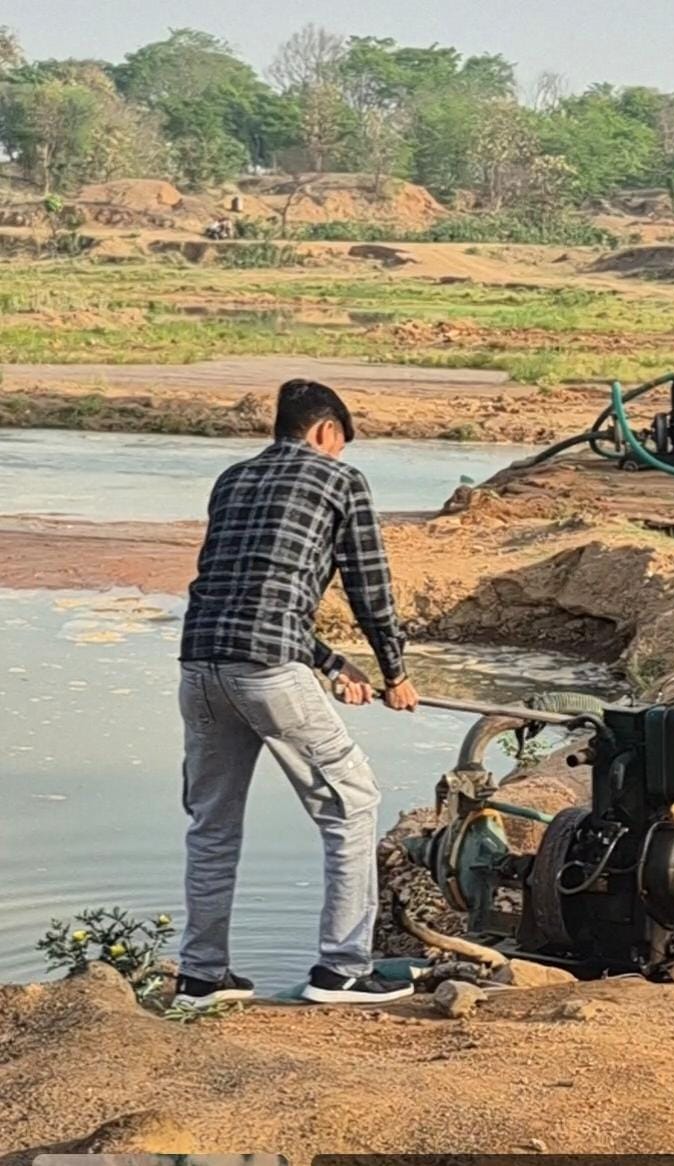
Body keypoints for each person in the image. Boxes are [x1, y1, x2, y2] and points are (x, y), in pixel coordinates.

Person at [174, 379, 420, 1007]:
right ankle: (343, 969)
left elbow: (247, 595)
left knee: (211, 826)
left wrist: (337, 665)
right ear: (324, 433)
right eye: (339, 444)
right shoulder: (342, 481)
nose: (337, 455)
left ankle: (201, 977)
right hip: (268, 673)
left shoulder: (231, 479)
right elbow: (370, 586)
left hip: (200, 667)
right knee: (355, 802)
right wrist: (395, 674)